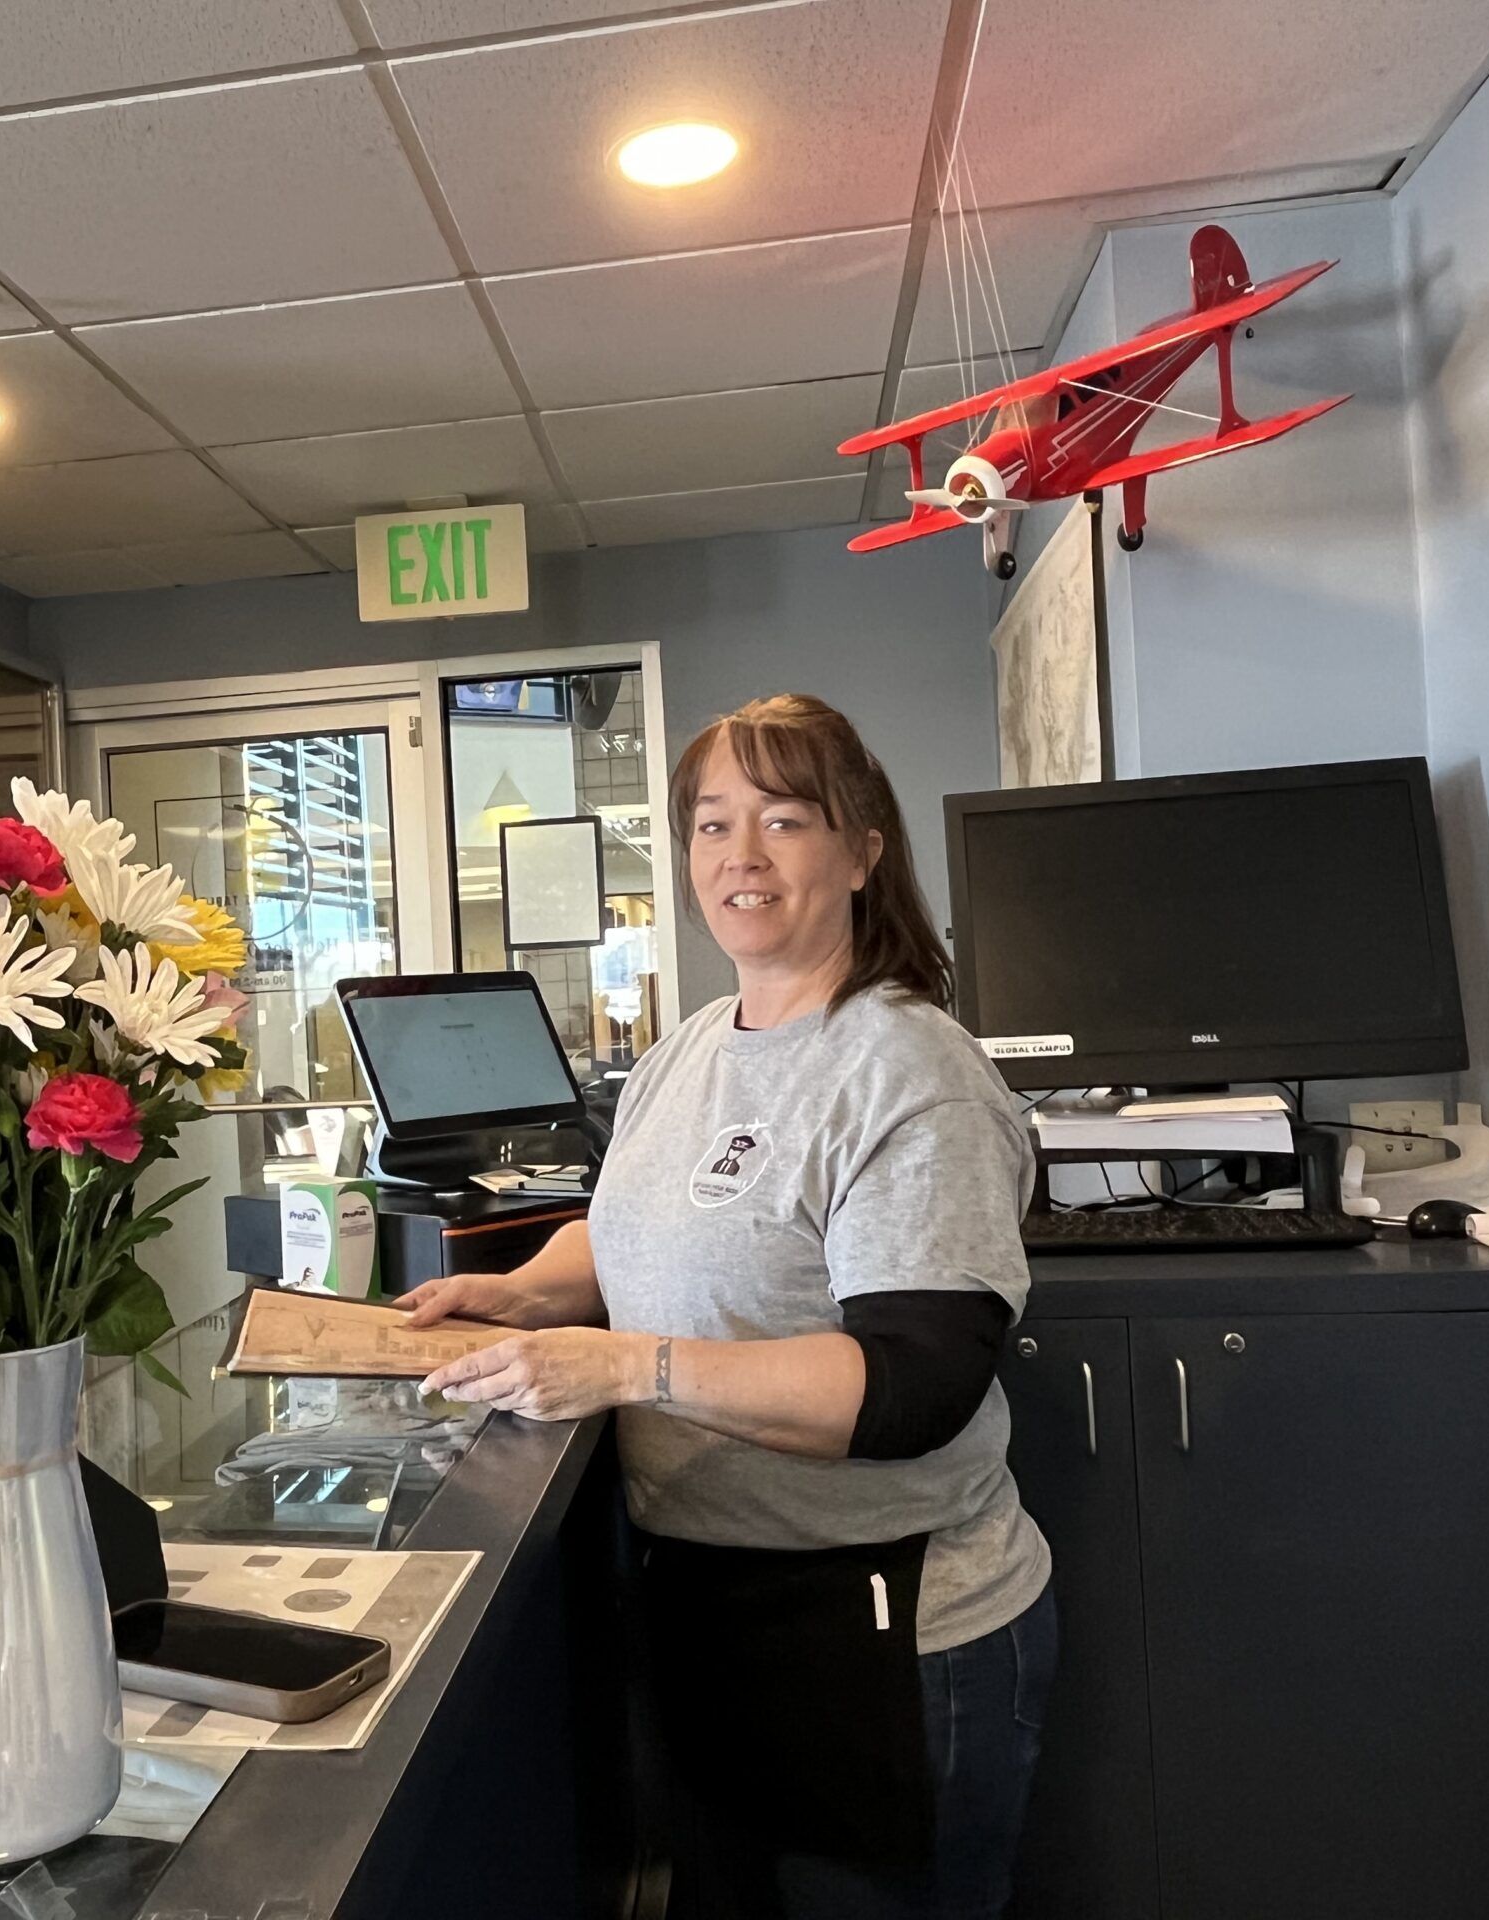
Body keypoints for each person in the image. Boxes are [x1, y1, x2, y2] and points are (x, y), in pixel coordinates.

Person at [407, 693, 1053, 1920]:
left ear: (862, 850)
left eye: (783, 820)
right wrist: (526, 1294)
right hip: (710, 1619)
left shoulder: (911, 1074)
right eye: (710, 824)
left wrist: (625, 1366)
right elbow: (622, 1227)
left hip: (884, 1638)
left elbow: (911, 1385)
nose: (738, 857)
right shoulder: (690, 1045)